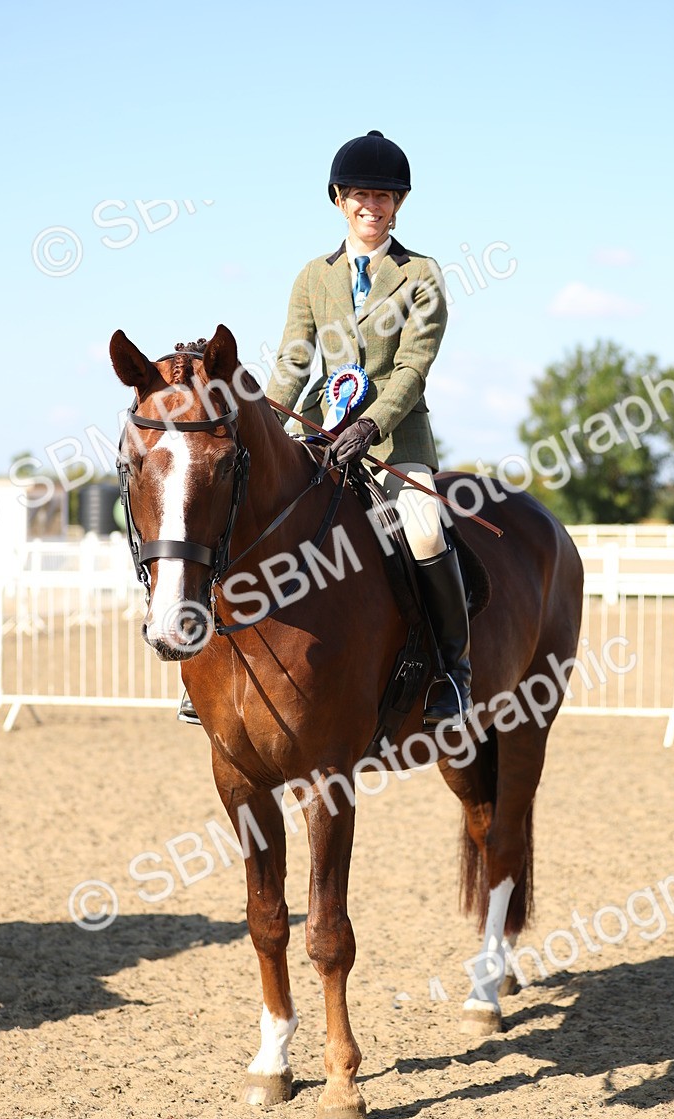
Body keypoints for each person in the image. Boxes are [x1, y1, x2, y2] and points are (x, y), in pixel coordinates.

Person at [265, 130, 472, 727]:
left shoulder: (422, 275)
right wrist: (269, 428)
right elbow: (294, 363)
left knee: (427, 531)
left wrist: (374, 422)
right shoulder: (313, 277)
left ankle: (454, 674)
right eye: (361, 195)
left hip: (394, 444)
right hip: (323, 440)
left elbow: (412, 367)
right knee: (254, 515)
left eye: (384, 197)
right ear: (339, 200)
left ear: (398, 205)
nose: (372, 207)